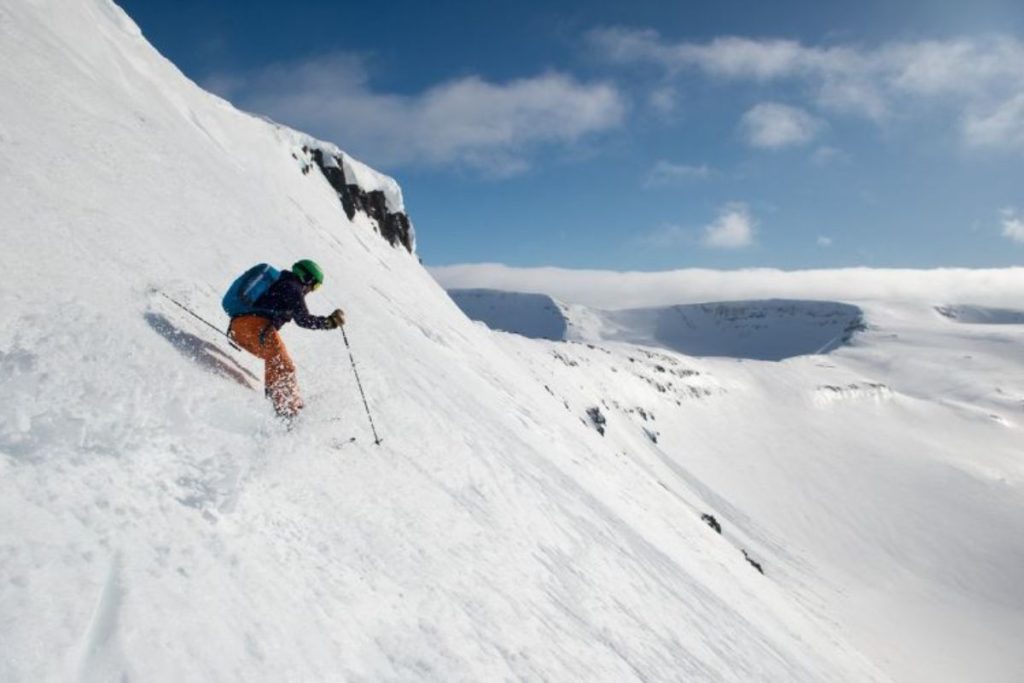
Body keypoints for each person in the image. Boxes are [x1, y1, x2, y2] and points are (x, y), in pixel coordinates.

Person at [227, 259, 345, 420]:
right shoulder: (292, 286)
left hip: (239, 329)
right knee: (283, 364)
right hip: (254, 327)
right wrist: (328, 322)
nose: (311, 290)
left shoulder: (282, 282)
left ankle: (292, 405)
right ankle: (287, 414)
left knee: (277, 361)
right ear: (307, 278)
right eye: (315, 285)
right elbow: (303, 320)